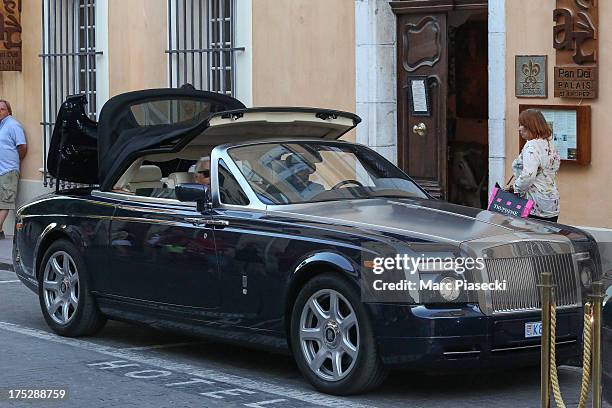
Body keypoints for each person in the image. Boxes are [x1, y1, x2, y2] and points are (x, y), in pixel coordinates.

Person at [512, 109, 560, 222]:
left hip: (534, 204)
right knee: (547, 237)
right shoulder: (549, 144)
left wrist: (515, 188)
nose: (519, 128)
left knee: (531, 238)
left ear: (530, 126)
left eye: (522, 125)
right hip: (551, 202)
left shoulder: (532, 146)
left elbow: (528, 175)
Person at [0, 100, 27, 239]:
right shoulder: (1, 126)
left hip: (8, 170)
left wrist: (15, 161)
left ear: (8, 111)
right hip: (1, 170)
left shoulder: (13, 125)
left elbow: (22, 146)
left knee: (5, 201)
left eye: (2, 109)